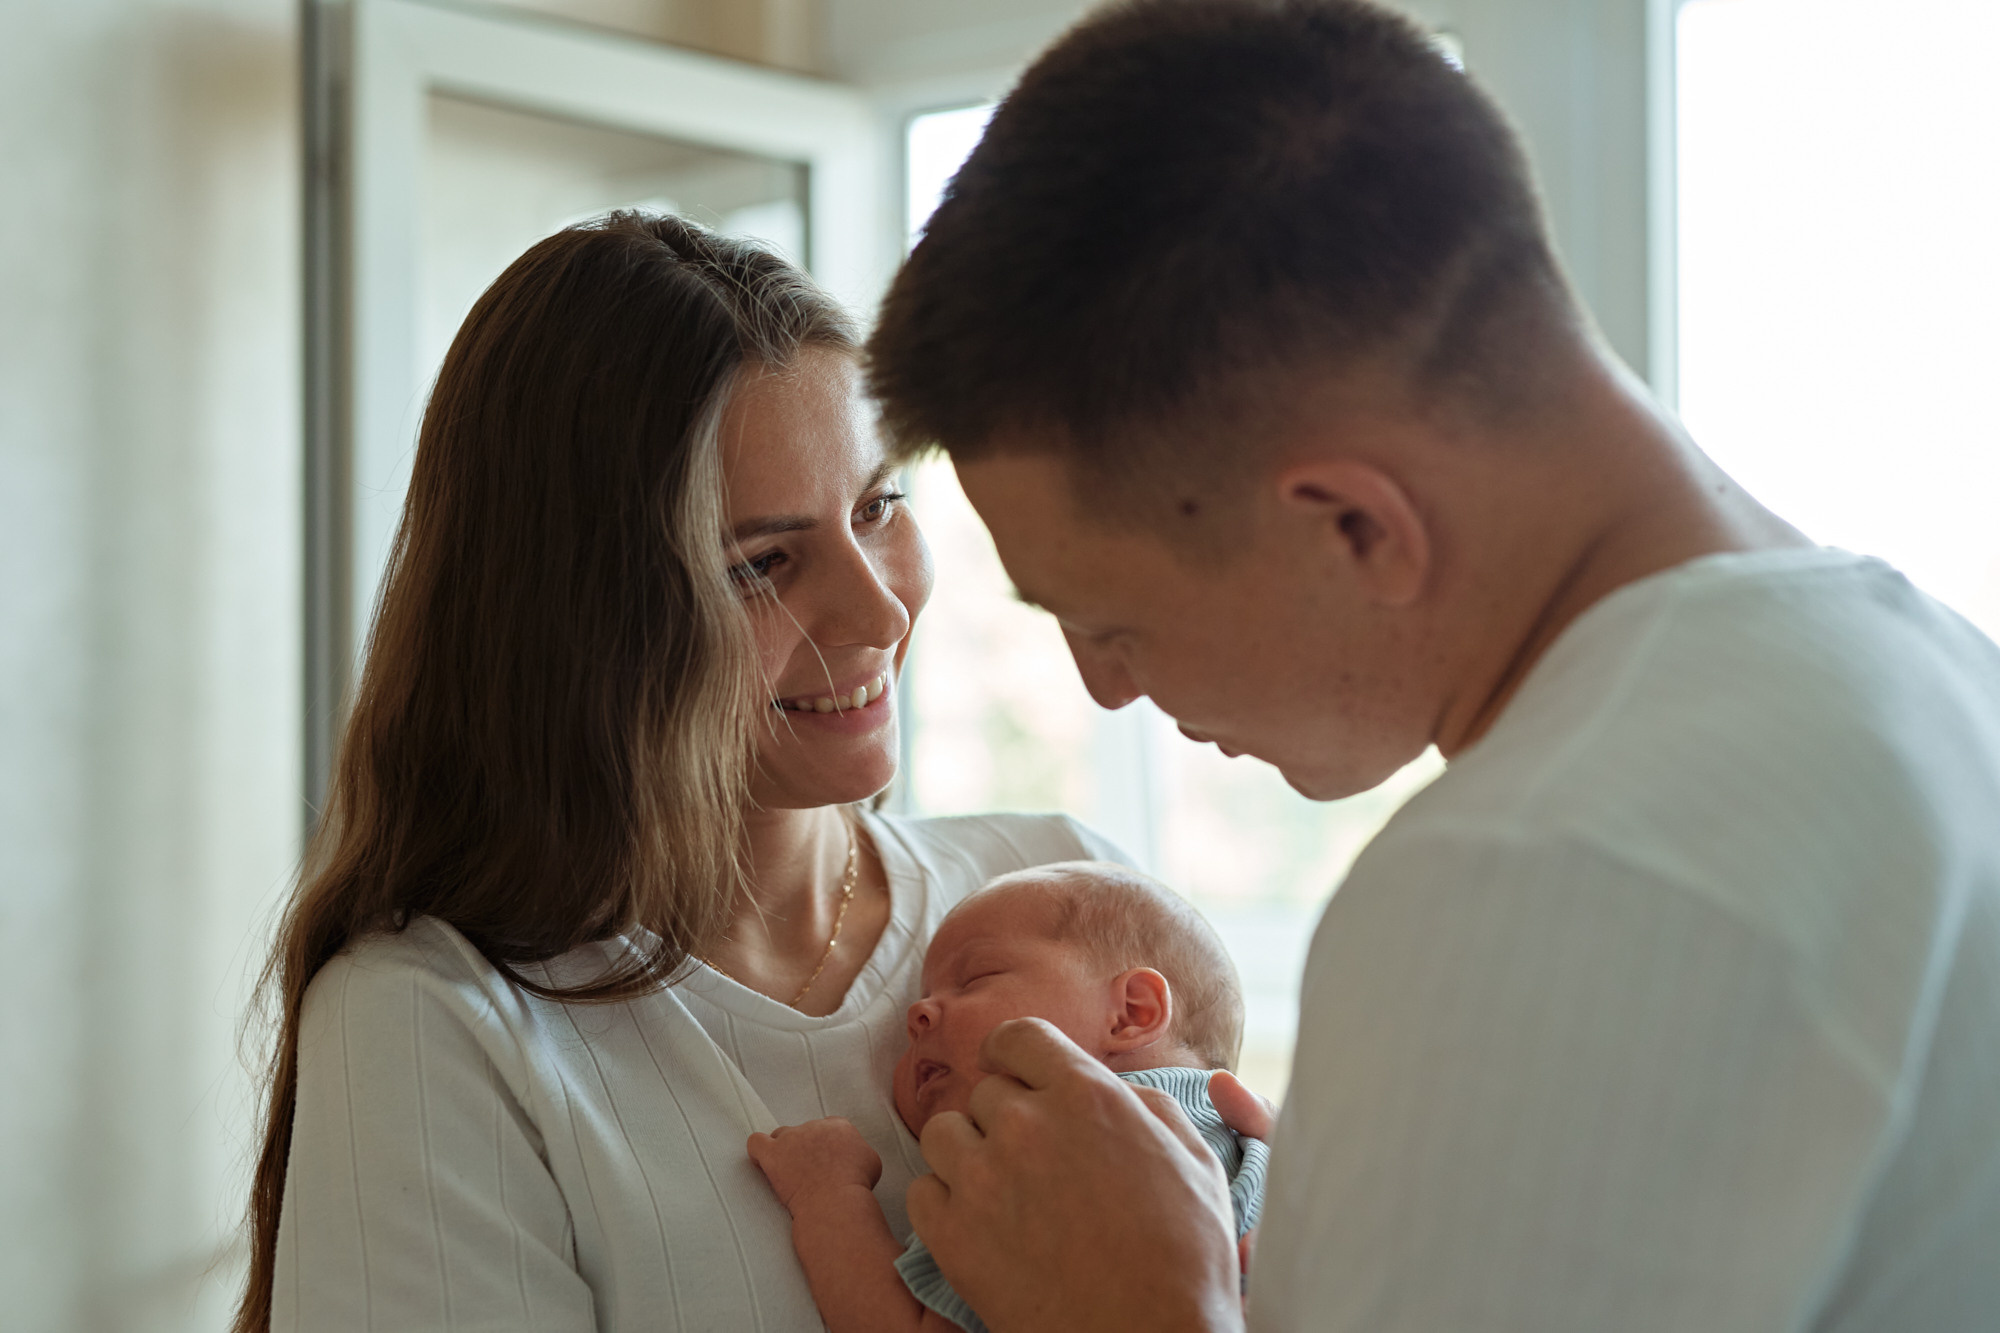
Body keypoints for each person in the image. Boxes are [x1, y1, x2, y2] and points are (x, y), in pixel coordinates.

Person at [863, 1, 2000, 1330]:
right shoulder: (1926, 673)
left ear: (1353, 525)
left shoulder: (1548, 866)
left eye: (1112, 622)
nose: (1107, 690)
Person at [232, 213, 1126, 1333]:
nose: (879, 606)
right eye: (761, 564)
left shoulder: (1064, 888)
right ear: (582, 624)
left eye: (877, 506)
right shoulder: (437, 1028)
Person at [746, 861, 1268, 1333]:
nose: (919, 1014)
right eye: (924, 997)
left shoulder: (1040, 1162)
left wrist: (829, 1196)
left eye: (975, 978)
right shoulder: (1260, 1148)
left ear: (1131, 1012)